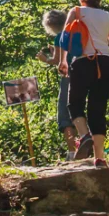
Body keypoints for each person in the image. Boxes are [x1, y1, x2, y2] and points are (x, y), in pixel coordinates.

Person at [59, 0, 109, 167]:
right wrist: (103, 53)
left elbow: (65, 38)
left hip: (82, 62)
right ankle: (100, 158)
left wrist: (63, 61)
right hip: (105, 63)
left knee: (74, 102)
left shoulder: (76, 11)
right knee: (97, 108)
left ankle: (84, 135)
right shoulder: (108, 16)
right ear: (98, 0)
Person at [36, 9, 77, 157]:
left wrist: (45, 59)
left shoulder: (59, 36)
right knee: (81, 110)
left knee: (65, 114)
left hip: (69, 77)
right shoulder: (75, 33)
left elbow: (58, 62)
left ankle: (72, 152)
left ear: (50, 25)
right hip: (84, 74)